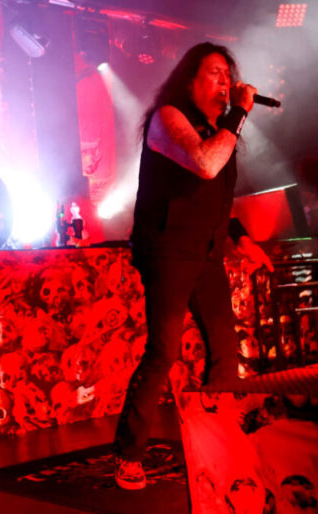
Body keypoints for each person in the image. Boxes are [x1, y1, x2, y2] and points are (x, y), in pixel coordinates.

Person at [112, 42, 273, 490]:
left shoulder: (219, 130)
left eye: (228, 74)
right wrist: (237, 116)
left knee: (225, 348)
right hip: (168, 248)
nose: (225, 81)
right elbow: (204, 165)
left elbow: (218, 198)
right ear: (189, 82)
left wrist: (242, 239)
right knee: (163, 351)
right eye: (215, 73)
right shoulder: (168, 118)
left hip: (205, 251)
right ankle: (128, 453)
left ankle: (216, 437)